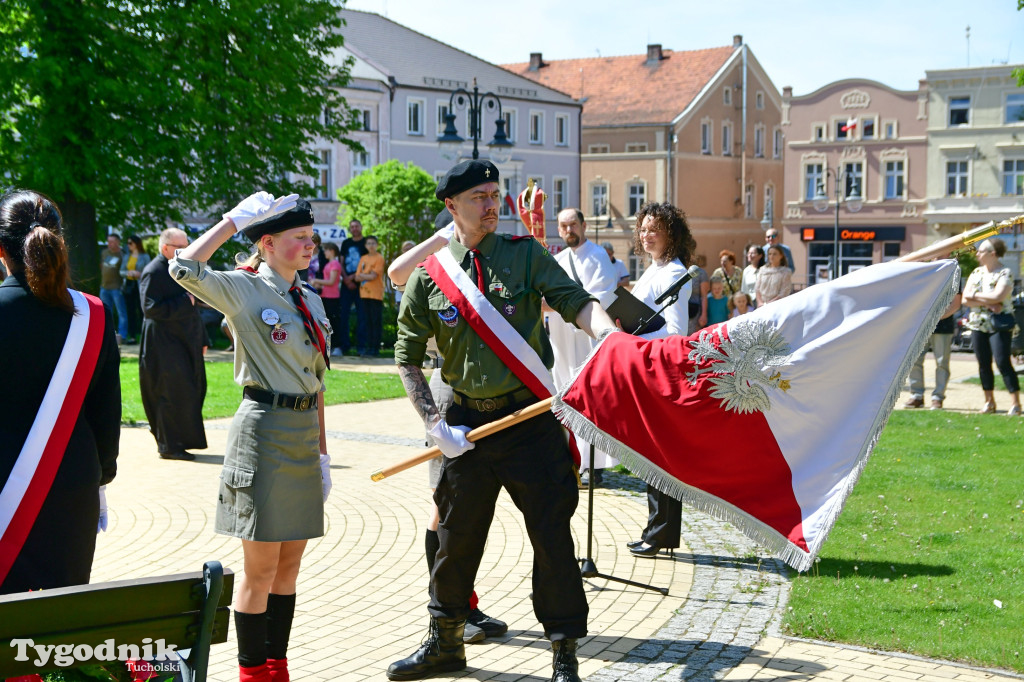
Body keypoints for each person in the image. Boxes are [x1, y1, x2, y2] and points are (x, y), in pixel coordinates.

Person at [388, 160, 616, 682]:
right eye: (478, 197)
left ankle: (564, 650)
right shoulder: (431, 275)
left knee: (552, 537)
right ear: (451, 206)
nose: (492, 205)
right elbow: (405, 355)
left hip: (528, 421)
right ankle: (445, 642)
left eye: (495, 194)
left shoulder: (525, 255)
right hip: (465, 426)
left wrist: (605, 333)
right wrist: (433, 423)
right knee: (454, 538)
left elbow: (575, 302)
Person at [170, 192, 333, 682]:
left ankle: (277, 667)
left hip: (303, 436)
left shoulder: (311, 299)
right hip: (262, 434)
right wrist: (227, 222)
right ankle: (252, 673)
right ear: (267, 243)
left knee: (288, 568)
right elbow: (184, 269)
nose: (310, 246)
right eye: (298, 238)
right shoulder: (245, 291)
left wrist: (323, 453)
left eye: (311, 237)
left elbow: (319, 381)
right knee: (260, 570)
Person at [387, 207, 507, 646]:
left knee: (466, 506)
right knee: (448, 503)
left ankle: (463, 603)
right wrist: (442, 237)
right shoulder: (435, 264)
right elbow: (397, 273)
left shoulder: (481, 262)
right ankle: (452, 608)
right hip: (447, 389)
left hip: (486, 391)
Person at [0, 189, 120, 595]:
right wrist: (102, 477)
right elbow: (107, 413)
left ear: (2, 250)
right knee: (58, 622)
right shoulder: (94, 315)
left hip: (4, 490)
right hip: (73, 487)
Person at [622, 202, 695, 559]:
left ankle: (661, 533)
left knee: (660, 458)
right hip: (645, 369)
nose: (647, 235)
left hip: (661, 373)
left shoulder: (673, 274)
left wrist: (638, 338)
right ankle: (655, 530)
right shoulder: (654, 269)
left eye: (655, 229)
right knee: (651, 457)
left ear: (672, 235)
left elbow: (677, 333)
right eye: (644, 228)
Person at [548, 209, 620, 486]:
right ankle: (573, 459)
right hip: (562, 342)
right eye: (563, 226)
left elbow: (600, 295)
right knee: (566, 396)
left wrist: (559, 306)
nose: (569, 230)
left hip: (588, 339)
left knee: (591, 399)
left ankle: (595, 464)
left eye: (573, 225)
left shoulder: (599, 256)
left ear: (584, 225)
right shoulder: (557, 260)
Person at [139, 228, 208, 461]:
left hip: (184, 340)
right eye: (179, 247)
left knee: (189, 390)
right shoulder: (154, 271)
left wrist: (203, 339)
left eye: (186, 246)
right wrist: (184, 300)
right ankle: (169, 445)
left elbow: (193, 309)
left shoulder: (182, 268)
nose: (185, 251)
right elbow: (150, 308)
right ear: (165, 248)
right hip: (163, 344)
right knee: (169, 392)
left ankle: (181, 441)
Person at [962, 238, 1021, 415]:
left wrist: (976, 296)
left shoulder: (1005, 272)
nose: (977, 254)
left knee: (1003, 362)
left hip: (999, 324)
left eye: (981, 251)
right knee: (983, 364)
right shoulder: (976, 272)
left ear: (992, 254)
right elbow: (965, 299)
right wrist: (989, 303)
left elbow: (999, 296)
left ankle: (1016, 403)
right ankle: (989, 402)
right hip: (978, 323)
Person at [905, 287, 962, 410]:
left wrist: (936, 317)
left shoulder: (951, 270)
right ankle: (917, 396)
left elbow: (956, 303)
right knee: (914, 361)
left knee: (942, 363)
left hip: (943, 326)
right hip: (919, 326)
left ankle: (938, 398)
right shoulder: (920, 270)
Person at [338, 219, 368, 356]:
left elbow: (368, 263)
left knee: (362, 316)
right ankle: (345, 346)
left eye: (357, 226)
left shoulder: (366, 243)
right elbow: (341, 262)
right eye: (352, 227)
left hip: (362, 284)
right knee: (343, 315)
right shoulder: (346, 243)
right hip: (346, 285)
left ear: (361, 227)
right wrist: (346, 278)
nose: (355, 228)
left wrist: (355, 277)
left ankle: (361, 347)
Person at [355, 235, 385, 357]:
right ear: (365, 246)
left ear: (377, 245)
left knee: (375, 321)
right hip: (364, 293)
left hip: (376, 294)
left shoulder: (379, 258)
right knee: (366, 321)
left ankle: (375, 348)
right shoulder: (363, 258)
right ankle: (368, 348)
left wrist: (364, 275)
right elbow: (357, 277)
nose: (371, 246)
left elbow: (374, 276)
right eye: (369, 243)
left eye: (373, 243)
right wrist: (367, 274)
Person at [312, 242, 343, 356]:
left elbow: (331, 282)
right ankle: (330, 346)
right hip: (325, 296)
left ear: (332, 251)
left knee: (334, 322)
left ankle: (338, 347)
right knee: (327, 323)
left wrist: (316, 281)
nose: (324, 252)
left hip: (333, 298)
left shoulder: (335, 264)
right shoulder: (329, 264)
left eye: (326, 250)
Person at [120, 234, 151, 344]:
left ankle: (144, 336)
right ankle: (132, 336)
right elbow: (121, 271)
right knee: (130, 312)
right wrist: (129, 273)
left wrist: (139, 274)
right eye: (127, 243)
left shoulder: (145, 256)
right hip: (128, 286)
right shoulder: (127, 256)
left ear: (136, 244)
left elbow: (149, 272)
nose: (128, 245)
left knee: (142, 311)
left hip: (140, 286)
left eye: (130, 243)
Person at [99, 232, 129, 343]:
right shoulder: (104, 252)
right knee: (106, 312)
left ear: (118, 242)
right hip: (104, 287)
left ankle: (123, 336)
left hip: (116, 288)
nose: (109, 244)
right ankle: (108, 335)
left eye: (112, 242)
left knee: (121, 313)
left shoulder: (122, 255)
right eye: (108, 241)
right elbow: (102, 266)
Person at [686, 254, 710, 334]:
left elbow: (704, 296)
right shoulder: (679, 270)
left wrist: (703, 315)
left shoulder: (701, 273)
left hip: (695, 313)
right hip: (681, 311)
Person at [741, 243, 763, 307]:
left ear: (760, 255)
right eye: (748, 253)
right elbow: (744, 289)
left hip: (763, 301)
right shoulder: (746, 271)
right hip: (750, 303)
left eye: (752, 253)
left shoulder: (765, 270)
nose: (750, 255)